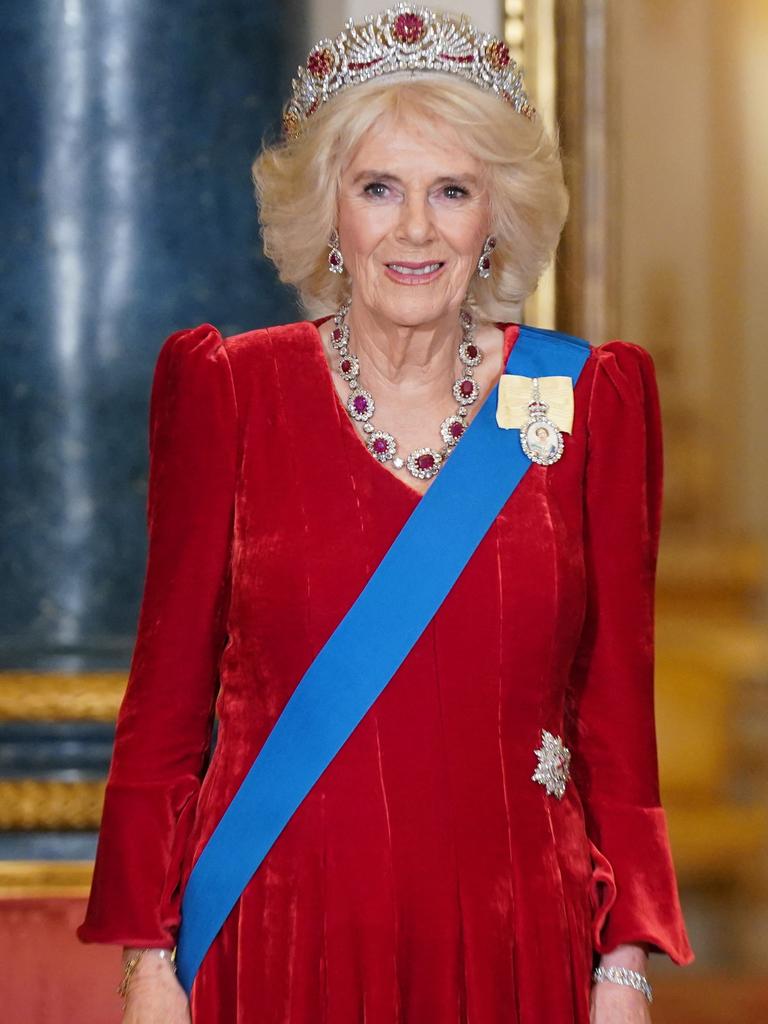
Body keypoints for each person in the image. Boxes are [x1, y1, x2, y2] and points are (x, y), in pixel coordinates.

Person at [76, 6, 695, 1023]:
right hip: (277, 934)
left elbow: (619, 725)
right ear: (330, 212)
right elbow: (161, 718)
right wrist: (150, 966)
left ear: (495, 213)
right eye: (379, 189)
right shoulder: (233, 389)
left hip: (514, 946)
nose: (416, 229)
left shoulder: (585, 402)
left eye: (451, 190)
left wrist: (622, 967)